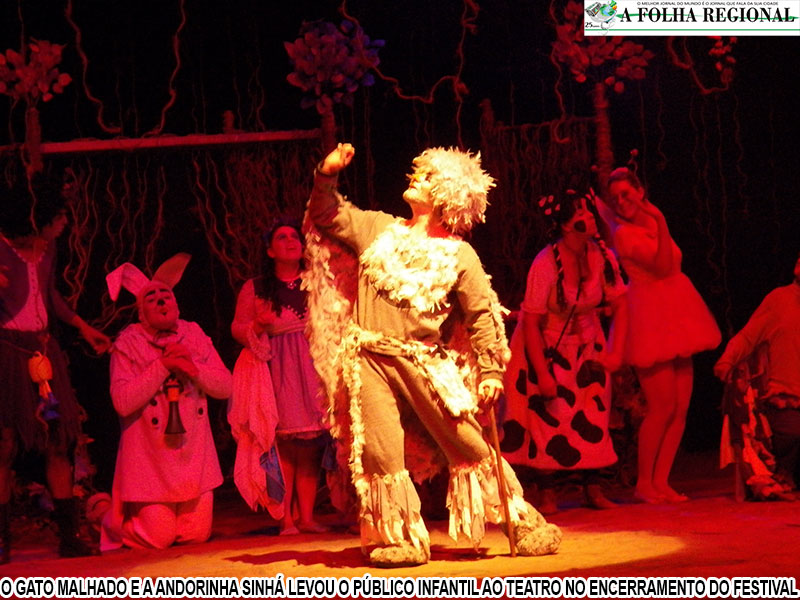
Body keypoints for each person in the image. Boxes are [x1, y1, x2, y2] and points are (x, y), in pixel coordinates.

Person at [304, 142, 561, 567]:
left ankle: (523, 522)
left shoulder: (459, 254)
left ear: (447, 195)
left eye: (426, 176)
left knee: (465, 438)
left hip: (422, 360)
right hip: (369, 357)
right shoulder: (378, 229)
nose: (414, 177)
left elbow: (482, 315)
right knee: (379, 450)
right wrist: (326, 174)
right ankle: (399, 537)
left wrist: (491, 372)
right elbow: (326, 214)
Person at [0, 172, 110, 563]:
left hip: (44, 353)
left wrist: (84, 327)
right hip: (9, 355)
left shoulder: (47, 250)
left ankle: (69, 535)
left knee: (59, 440)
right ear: (37, 215)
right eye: (59, 216)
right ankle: (1, 540)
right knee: (5, 443)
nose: (65, 223)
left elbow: (50, 297)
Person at [501, 188, 627, 514]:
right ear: (566, 225)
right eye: (580, 213)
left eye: (588, 210)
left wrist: (615, 352)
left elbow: (621, 303)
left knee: (593, 412)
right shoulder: (545, 263)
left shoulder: (602, 256)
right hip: (547, 345)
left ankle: (593, 487)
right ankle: (548, 492)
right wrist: (542, 373)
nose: (589, 217)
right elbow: (531, 322)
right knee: (551, 417)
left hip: (588, 343)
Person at [96, 253, 232, 551]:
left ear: (176, 303)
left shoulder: (193, 333)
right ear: (141, 312)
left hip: (193, 454)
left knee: (196, 534)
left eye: (166, 295)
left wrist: (193, 369)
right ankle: (107, 517)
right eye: (151, 297)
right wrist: (162, 366)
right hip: (150, 459)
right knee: (158, 538)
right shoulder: (128, 342)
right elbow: (122, 402)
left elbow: (225, 386)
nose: (160, 300)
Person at [604, 167, 720, 503]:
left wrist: (657, 221)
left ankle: (661, 481)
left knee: (680, 408)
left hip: (677, 312)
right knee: (662, 406)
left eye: (626, 194)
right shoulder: (624, 234)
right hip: (650, 316)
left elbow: (674, 268)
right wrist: (661, 220)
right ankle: (644, 482)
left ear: (640, 191)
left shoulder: (651, 224)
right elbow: (662, 265)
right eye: (615, 198)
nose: (621, 202)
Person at [230, 217, 329, 535]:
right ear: (270, 251)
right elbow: (237, 328)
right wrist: (258, 325)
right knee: (285, 444)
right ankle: (285, 518)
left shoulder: (317, 281)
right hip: (278, 367)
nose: (290, 241)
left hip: (314, 365)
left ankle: (307, 517)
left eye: (294, 237)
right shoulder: (256, 287)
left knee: (312, 444)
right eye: (282, 237)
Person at [714, 253, 800, 490]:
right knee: (794, 432)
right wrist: (726, 361)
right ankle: (784, 473)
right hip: (786, 400)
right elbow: (748, 336)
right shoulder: (779, 300)